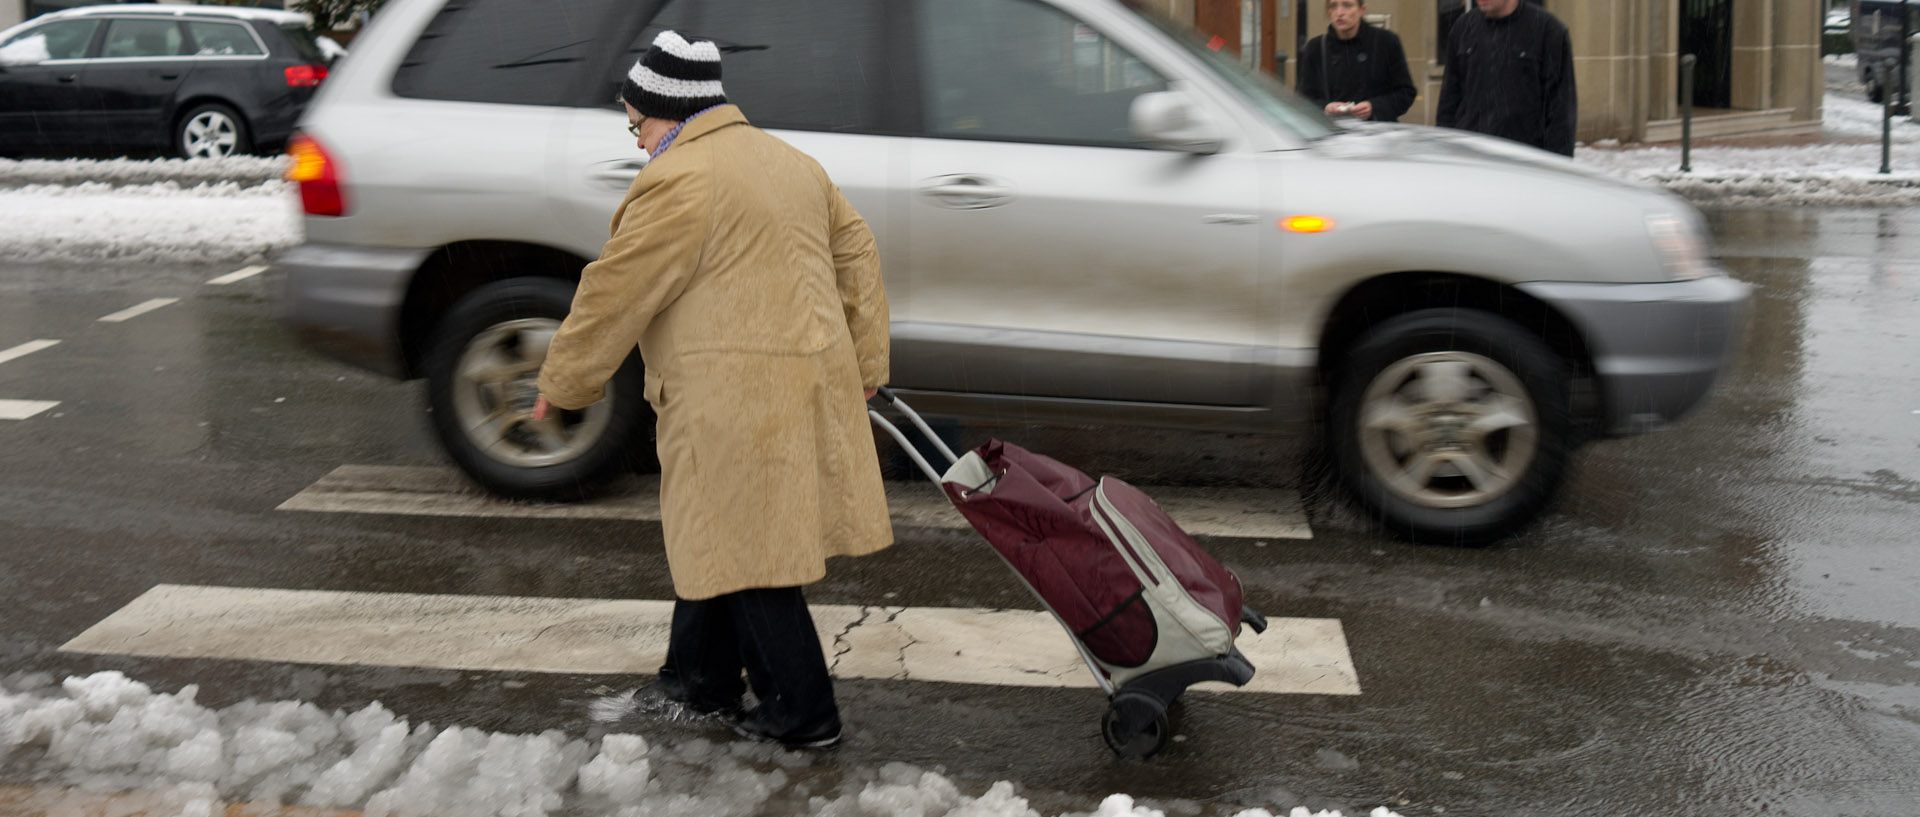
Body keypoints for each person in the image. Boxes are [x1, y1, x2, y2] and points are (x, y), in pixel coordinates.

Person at [532, 30, 893, 750]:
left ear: (670, 111)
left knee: (753, 553)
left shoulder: (681, 180)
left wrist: (565, 380)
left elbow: (615, 290)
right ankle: (699, 679)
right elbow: (857, 249)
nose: (636, 141)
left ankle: (804, 712)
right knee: (722, 535)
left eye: (636, 124)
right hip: (801, 381)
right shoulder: (790, 161)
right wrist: (865, 360)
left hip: (737, 396)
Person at [1434, 0, 1577, 156]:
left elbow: (1561, 114)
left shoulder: (1549, 31)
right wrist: (1446, 151)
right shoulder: (1463, 29)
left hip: (1525, 162)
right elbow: (1448, 104)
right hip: (1470, 159)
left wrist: (1556, 169)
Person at [1295, 0, 1417, 123]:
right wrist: (1326, 107)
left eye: (1347, 5)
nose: (1339, 12)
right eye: (1333, 6)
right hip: (1334, 134)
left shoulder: (1385, 42)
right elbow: (1303, 99)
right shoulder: (1316, 48)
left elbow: (1406, 93)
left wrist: (1374, 107)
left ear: (1361, 10)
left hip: (1378, 133)